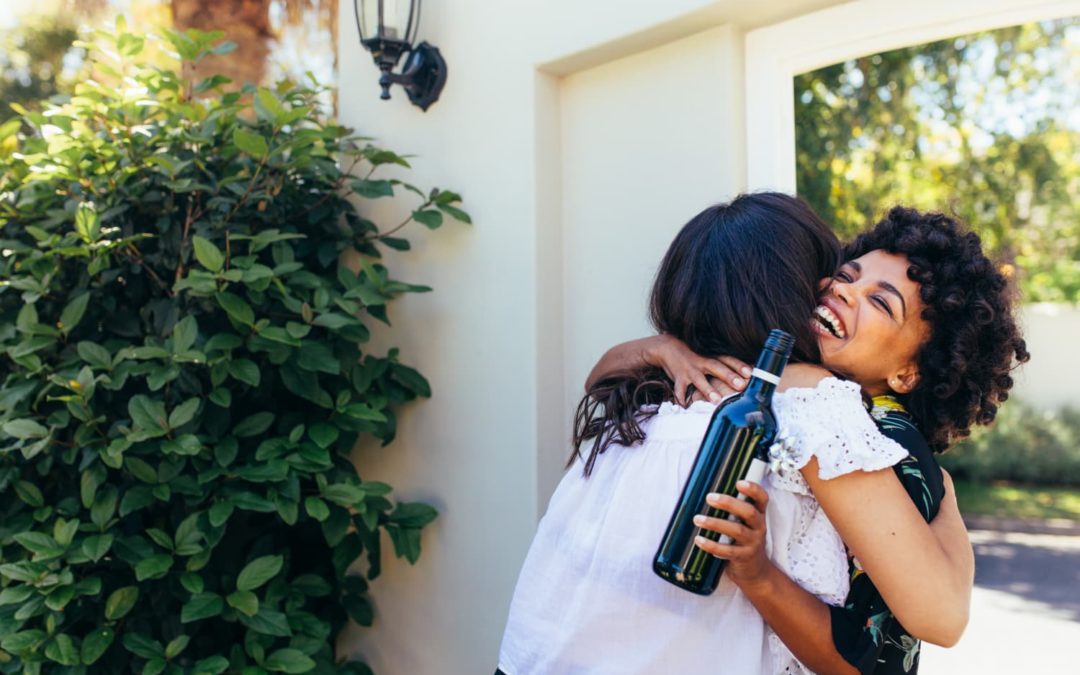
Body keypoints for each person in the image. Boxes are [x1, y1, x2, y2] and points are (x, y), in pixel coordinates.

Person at [495, 193, 1009, 674]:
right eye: (844, 275)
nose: (844, 291)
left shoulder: (662, 400)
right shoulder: (810, 404)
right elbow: (940, 618)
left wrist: (660, 349)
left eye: (881, 302)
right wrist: (948, 505)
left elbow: (927, 621)